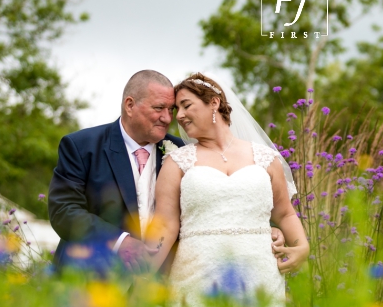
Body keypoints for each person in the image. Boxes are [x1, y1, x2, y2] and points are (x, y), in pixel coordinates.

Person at [48, 70, 285, 273]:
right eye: (159, 108)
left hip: (160, 283)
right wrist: (121, 242)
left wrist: (264, 229)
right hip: (90, 276)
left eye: (170, 109)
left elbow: (216, 203)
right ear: (130, 105)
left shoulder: (183, 153)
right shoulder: (82, 146)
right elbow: (63, 211)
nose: (168, 118)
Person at [145, 73, 309, 307]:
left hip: (260, 276)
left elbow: (285, 213)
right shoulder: (177, 162)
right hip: (196, 275)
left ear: (214, 102)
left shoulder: (266, 158)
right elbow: (164, 226)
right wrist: (142, 279)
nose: (179, 116)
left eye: (187, 105)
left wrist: (302, 246)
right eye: (178, 109)